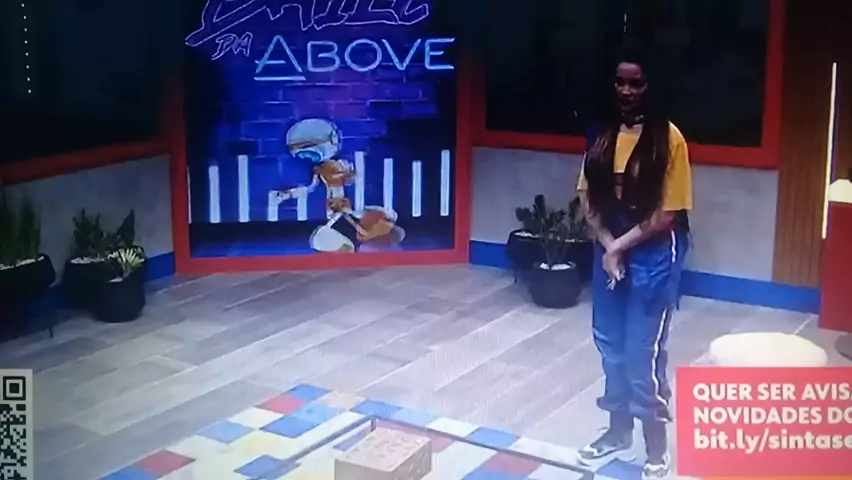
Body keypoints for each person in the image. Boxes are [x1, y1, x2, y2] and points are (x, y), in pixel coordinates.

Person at [575, 47, 692, 480]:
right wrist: (609, 246)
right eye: (620, 82)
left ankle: (656, 446)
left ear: (650, 86)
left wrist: (619, 247)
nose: (626, 91)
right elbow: (586, 197)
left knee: (642, 352)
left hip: (655, 251)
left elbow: (668, 214)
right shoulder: (602, 134)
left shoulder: (669, 139)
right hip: (611, 246)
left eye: (636, 83)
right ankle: (618, 432)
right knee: (610, 344)